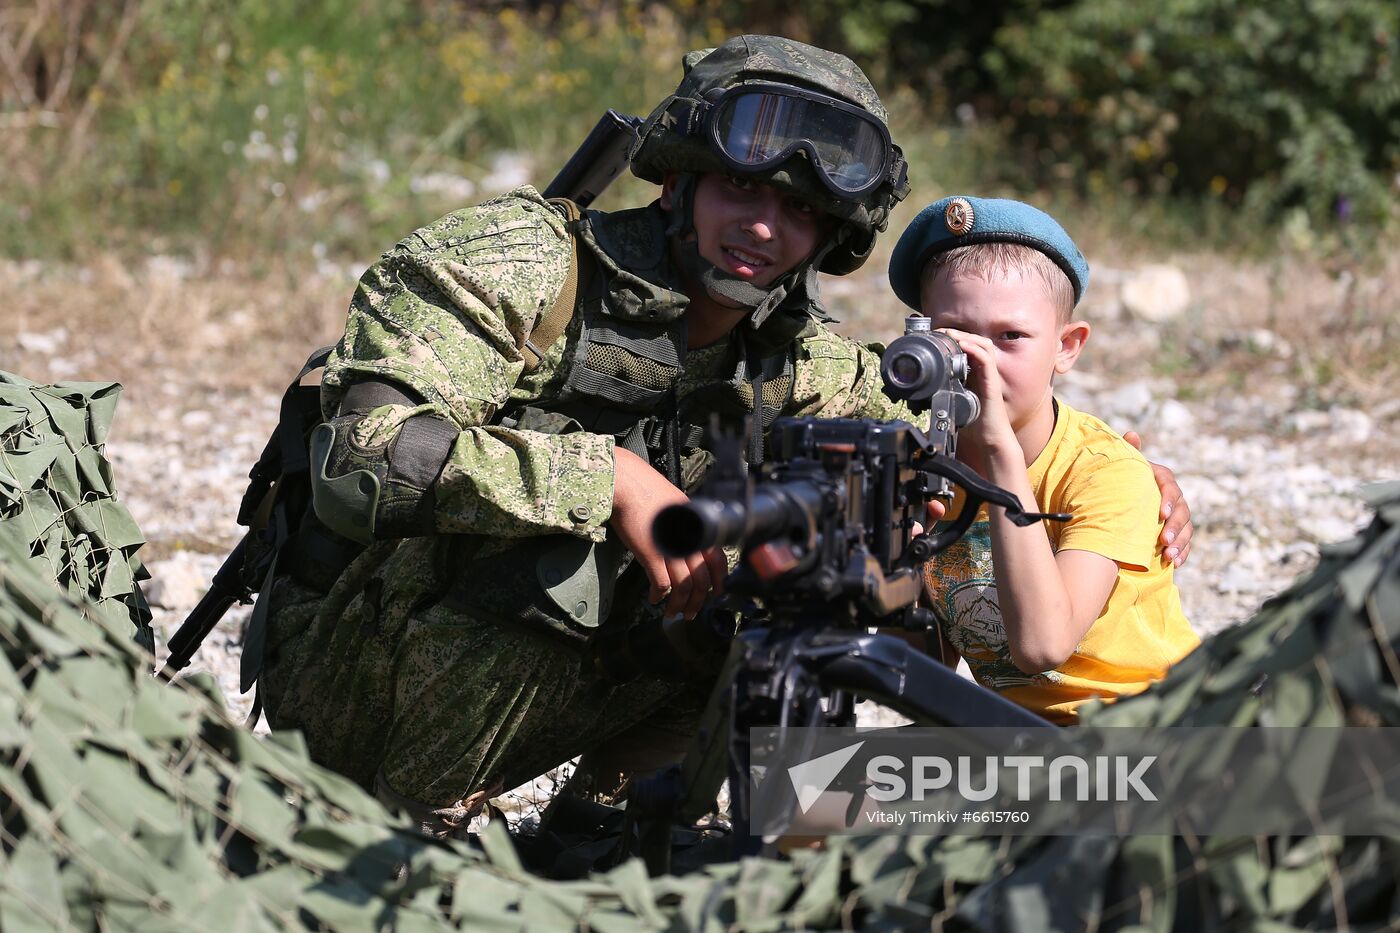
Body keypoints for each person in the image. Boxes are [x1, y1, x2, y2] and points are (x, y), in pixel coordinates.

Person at [254, 38, 1194, 835]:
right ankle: (398, 825)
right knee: (557, 566)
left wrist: (1118, 471)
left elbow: (957, 419)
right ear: (680, 180)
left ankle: (610, 828)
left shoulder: (795, 354)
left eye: (799, 211)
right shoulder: (525, 264)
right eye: (741, 187)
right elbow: (365, 455)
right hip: (361, 669)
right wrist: (610, 480)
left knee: (798, 582)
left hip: (550, 683)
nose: (763, 226)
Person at [888, 196, 1201, 724]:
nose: (976, 360)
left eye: (1009, 337)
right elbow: (920, 679)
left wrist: (999, 454)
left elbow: (1041, 646)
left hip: (1147, 735)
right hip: (1017, 740)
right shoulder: (923, 465)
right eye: (954, 337)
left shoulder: (1107, 471)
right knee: (803, 793)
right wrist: (897, 559)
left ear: (1067, 347)